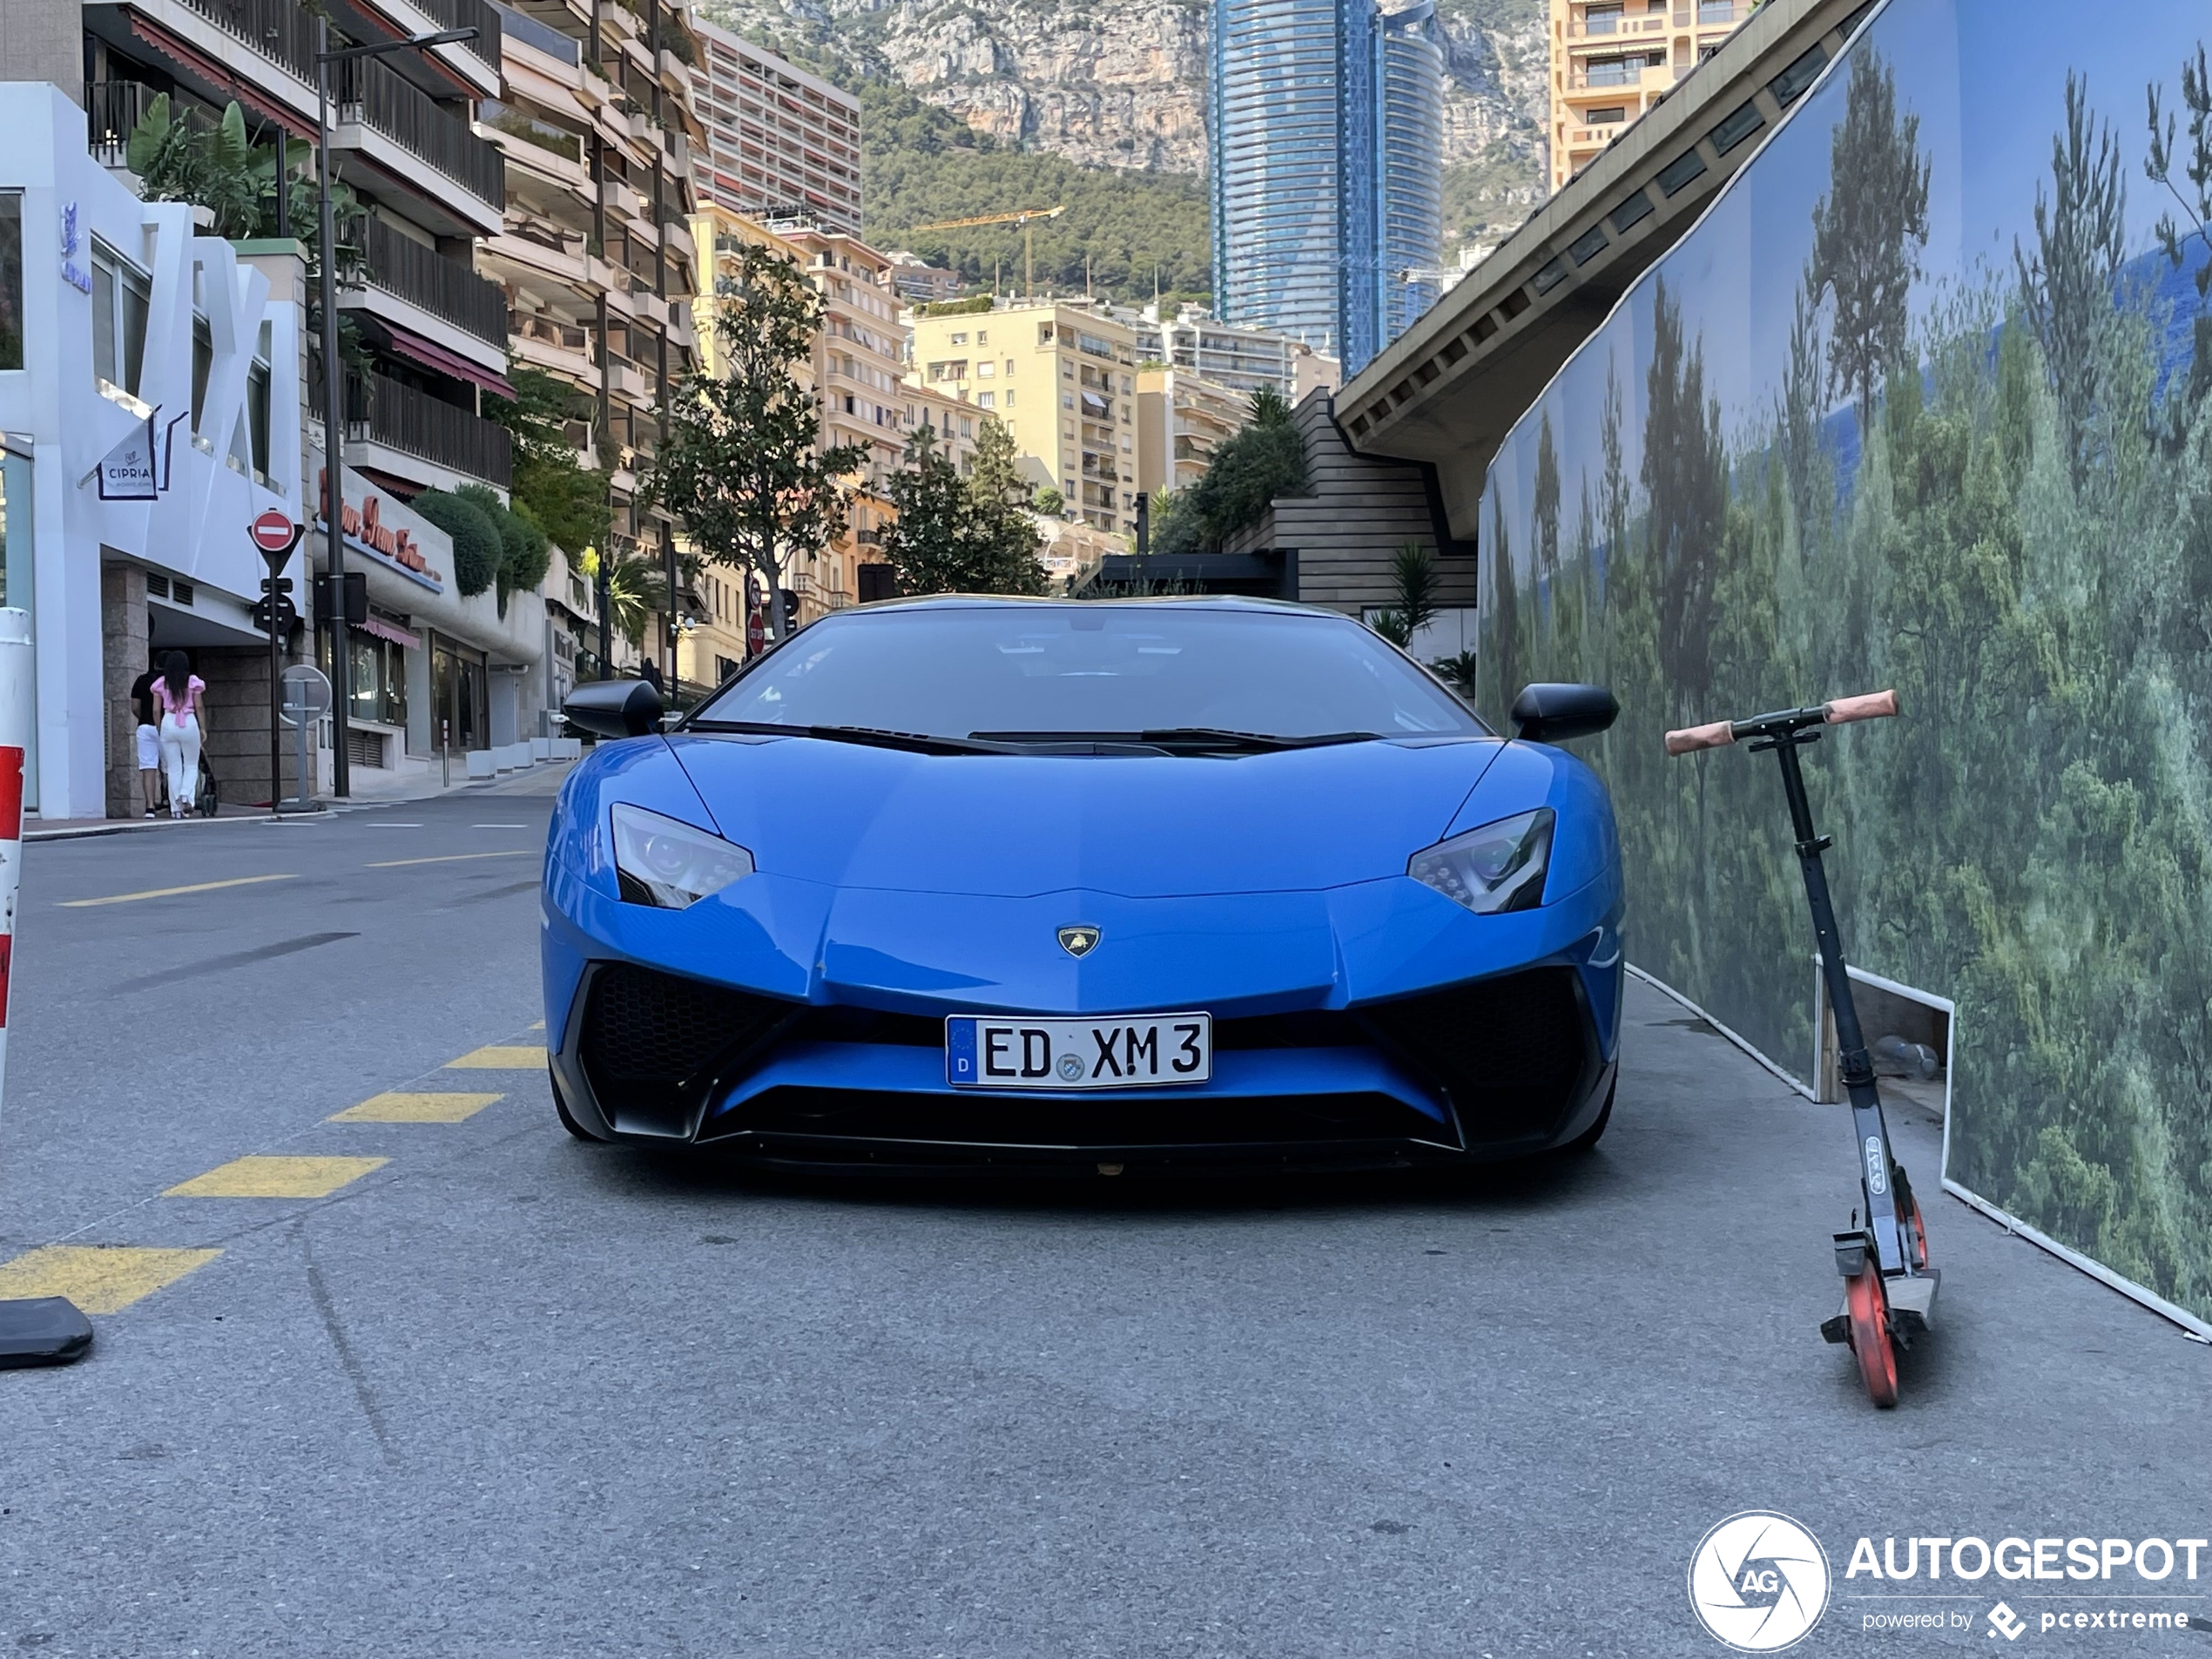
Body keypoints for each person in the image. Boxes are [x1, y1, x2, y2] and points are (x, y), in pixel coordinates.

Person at [152, 651, 205, 820]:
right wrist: (203, 728)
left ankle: (176, 809)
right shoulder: (192, 682)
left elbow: (155, 710)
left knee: (173, 768)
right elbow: (199, 707)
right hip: (188, 720)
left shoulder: (161, 683)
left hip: (168, 721)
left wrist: (160, 728)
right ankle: (186, 796)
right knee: (190, 764)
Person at [127, 655, 162, 818]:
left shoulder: (142, 680)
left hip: (145, 726)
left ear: (154, 663)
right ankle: (174, 804)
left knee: (148, 767)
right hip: (166, 727)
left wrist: (143, 717)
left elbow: (134, 706)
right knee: (172, 767)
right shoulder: (169, 682)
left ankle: (150, 806)